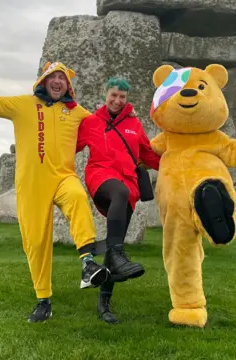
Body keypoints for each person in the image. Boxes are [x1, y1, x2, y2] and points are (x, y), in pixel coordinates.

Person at [0, 55, 110, 323]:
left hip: (63, 177)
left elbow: (104, 125)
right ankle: (44, 301)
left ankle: (87, 263)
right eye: (53, 77)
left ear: (67, 86)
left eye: (62, 78)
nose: (57, 81)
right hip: (31, 185)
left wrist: (124, 112)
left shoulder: (76, 112)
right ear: (43, 81)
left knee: (77, 196)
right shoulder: (23, 105)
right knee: (37, 243)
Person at [76, 77, 160, 324]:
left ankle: (104, 303)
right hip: (101, 178)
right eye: (114, 95)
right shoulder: (91, 122)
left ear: (127, 99)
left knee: (114, 247)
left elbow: (147, 153)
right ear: (106, 94)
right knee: (119, 196)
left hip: (129, 186)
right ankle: (117, 252)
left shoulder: (134, 124)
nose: (117, 100)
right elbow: (68, 146)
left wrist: (176, 164)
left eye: (122, 97)